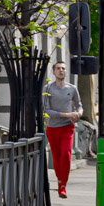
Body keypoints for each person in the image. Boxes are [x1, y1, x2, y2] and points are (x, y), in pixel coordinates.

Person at [43, 61, 82, 198]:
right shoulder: (48, 88)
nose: (61, 70)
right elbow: (46, 110)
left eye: (63, 69)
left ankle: (62, 186)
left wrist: (79, 113)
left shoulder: (72, 88)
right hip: (53, 128)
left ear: (66, 72)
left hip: (67, 127)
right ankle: (60, 181)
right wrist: (67, 114)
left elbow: (79, 105)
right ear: (53, 72)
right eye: (58, 68)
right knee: (57, 158)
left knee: (66, 154)